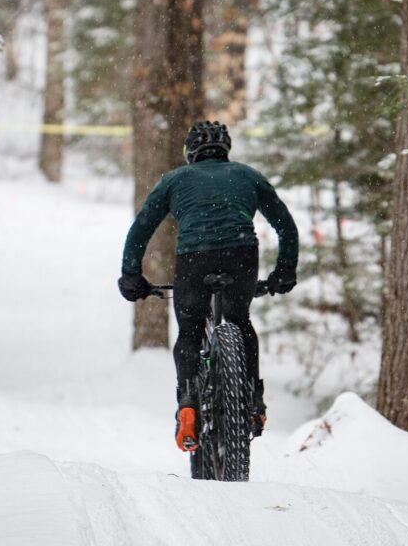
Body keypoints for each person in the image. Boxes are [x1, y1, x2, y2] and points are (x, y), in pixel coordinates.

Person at [118, 121, 299, 452]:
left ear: (190, 154)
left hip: (194, 259)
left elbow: (141, 228)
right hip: (241, 256)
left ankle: (187, 402)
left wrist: (131, 274)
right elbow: (285, 224)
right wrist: (284, 270)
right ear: (226, 151)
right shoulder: (247, 175)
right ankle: (253, 402)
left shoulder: (174, 180)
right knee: (240, 320)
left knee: (189, 331)